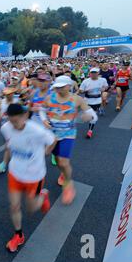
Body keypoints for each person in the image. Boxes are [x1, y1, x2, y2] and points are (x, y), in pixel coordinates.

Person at [1, 104, 55, 252]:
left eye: (16, 121)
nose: (14, 125)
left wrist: (46, 153)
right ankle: (18, 235)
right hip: (15, 173)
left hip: (34, 176)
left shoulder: (37, 130)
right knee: (14, 206)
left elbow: (53, 140)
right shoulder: (6, 128)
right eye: (11, 121)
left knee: (31, 209)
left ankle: (43, 196)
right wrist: (5, 162)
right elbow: (8, 144)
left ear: (24, 116)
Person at [40, 76, 98, 205]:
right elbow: (42, 110)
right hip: (52, 134)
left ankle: (68, 184)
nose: (59, 89)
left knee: (63, 161)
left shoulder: (77, 99)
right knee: (58, 160)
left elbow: (93, 116)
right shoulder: (50, 98)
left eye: (61, 86)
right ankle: (63, 173)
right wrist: (44, 120)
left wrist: (88, 116)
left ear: (68, 86)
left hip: (68, 134)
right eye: (57, 87)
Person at [79, 68, 109, 139]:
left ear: (98, 73)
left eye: (95, 73)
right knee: (88, 116)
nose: (93, 74)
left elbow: (106, 86)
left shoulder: (102, 80)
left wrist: (104, 89)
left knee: (93, 116)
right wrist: (86, 90)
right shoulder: (86, 81)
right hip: (87, 101)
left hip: (97, 101)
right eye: (92, 73)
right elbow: (80, 91)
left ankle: (90, 131)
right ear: (90, 73)